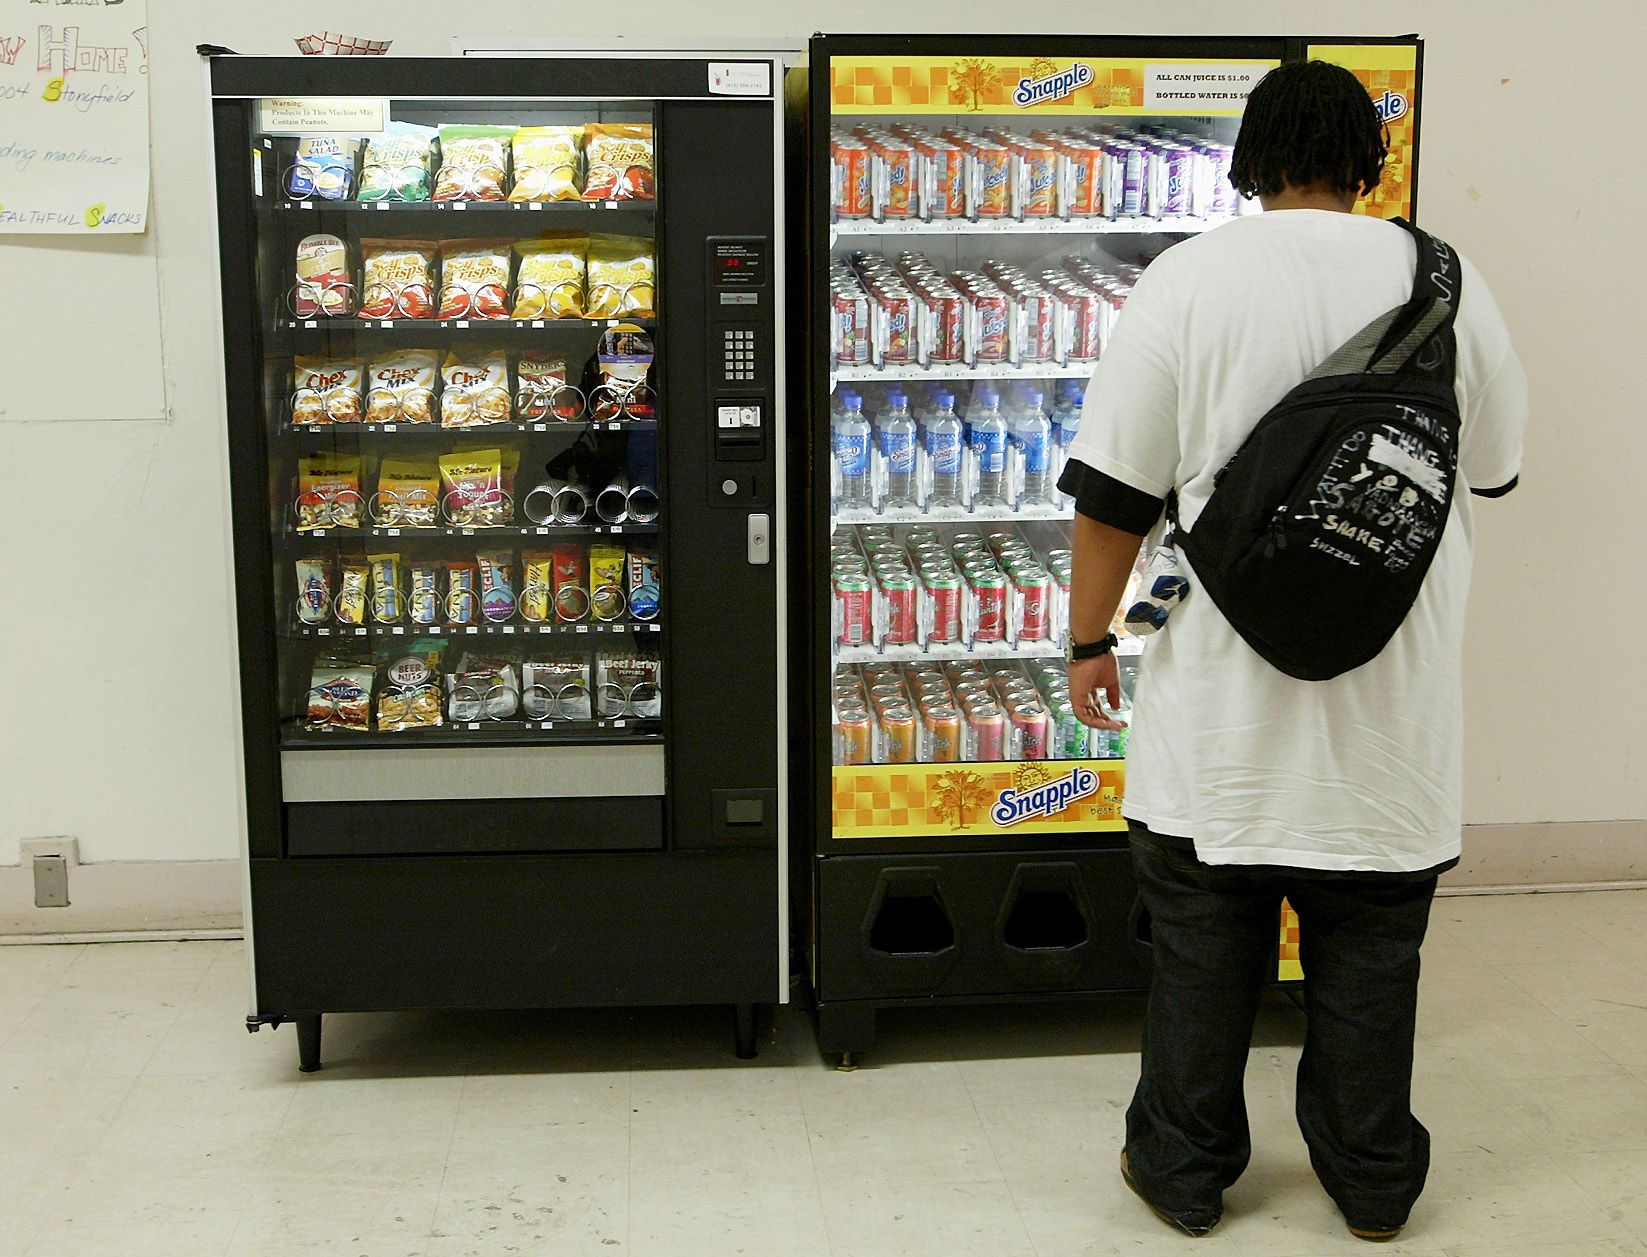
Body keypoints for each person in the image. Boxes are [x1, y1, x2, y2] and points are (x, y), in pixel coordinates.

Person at [1056, 60, 1527, 1243]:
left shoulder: (1188, 280)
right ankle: (1372, 1182)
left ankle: (1183, 1169)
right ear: (1368, 159)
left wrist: (1086, 640)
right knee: (1371, 951)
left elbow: (1113, 492)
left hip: (1218, 697)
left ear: (1249, 155)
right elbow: (1495, 468)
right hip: (1391, 706)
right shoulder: (1449, 282)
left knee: (1205, 943)